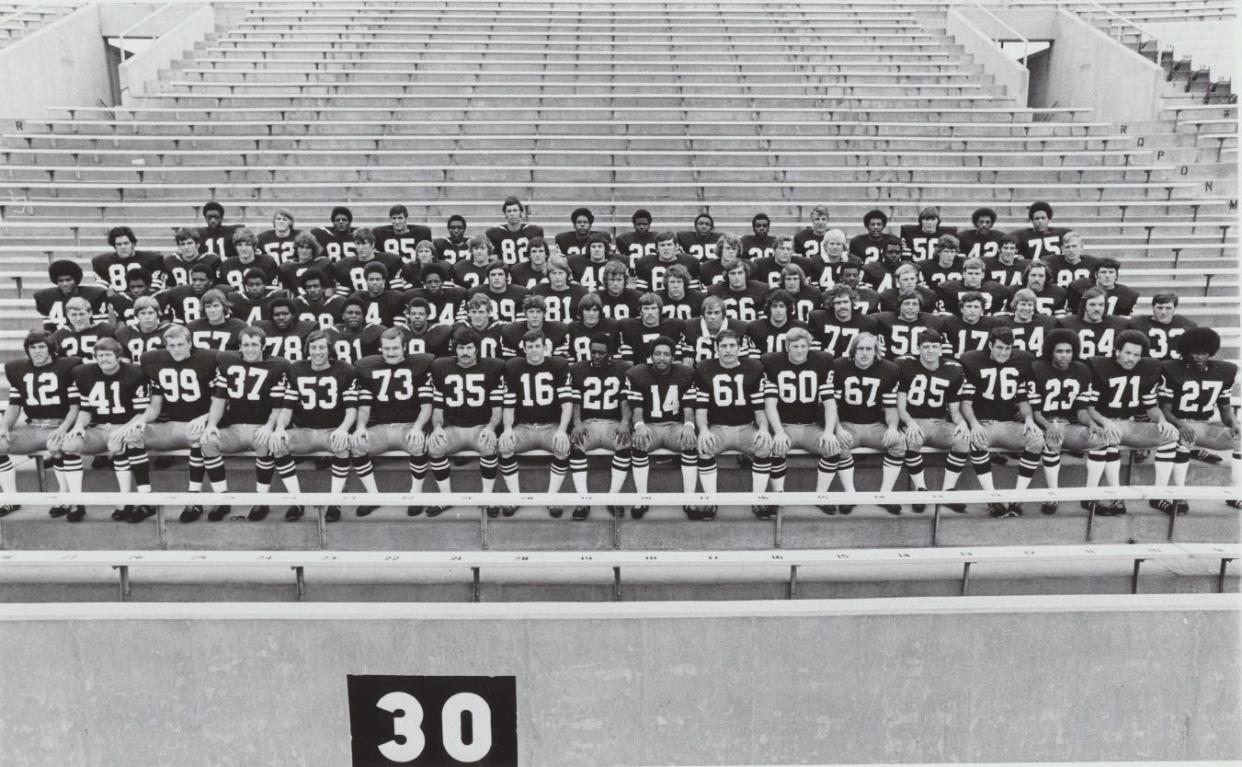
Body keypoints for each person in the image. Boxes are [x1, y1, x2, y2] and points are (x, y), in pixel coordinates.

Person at [1082, 330, 1178, 516]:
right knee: (1109, 437)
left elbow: (1151, 407)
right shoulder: (1100, 368)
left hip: (1129, 424)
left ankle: (1158, 495)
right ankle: (1097, 495)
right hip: (1105, 423)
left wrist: (1162, 420)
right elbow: (1089, 408)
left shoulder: (1146, 371)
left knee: (1171, 435)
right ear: (1117, 351)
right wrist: (1104, 421)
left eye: (1136, 355)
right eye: (1127, 353)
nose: (1131, 359)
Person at [270, 329, 363, 522]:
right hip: (304, 430)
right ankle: (296, 500)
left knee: (342, 445)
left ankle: (335, 501)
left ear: (329, 349)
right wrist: (280, 429)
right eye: (313, 347)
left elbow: (351, 410)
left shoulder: (345, 370)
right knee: (277, 444)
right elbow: (286, 409)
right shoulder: (296, 370)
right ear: (307, 349)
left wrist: (343, 429)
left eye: (322, 347)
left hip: (332, 430)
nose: (318, 352)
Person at [201, 326, 292, 521]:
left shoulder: (277, 366)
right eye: (245, 345)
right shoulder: (228, 362)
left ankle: (261, 500)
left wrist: (269, 426)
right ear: (240, 347)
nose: (249, 349)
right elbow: (219, 400)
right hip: (233, 427)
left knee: (267, 443)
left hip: (260, 426)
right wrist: (211, 424)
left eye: (254, 345)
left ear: (263, 346)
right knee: (208, 442)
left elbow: (278, 407)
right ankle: (222, 499)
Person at [61, 337, 153, 523]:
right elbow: (86, 409)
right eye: (100, 355)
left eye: (108, 355)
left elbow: (141, 413)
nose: (103, 359)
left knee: (119, 444)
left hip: (125, 425)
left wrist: (123, 429)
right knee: (69, 445)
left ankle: (124, 500)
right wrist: (79, 426)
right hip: (98, 427)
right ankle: (76, 501)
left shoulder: (135, 373)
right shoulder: (85, 373)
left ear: (118, 356)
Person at [958, 327, 1044, 518]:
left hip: (1008, 425)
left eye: (1007, 348)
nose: (1003, 352)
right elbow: (966, 403)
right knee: (975, 439)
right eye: (999, 348)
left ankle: (1017, 498)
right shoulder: (974, 363)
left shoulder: (1019, 363)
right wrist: (974, 424)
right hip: (985, 423)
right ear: (990, 345)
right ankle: (992, 498)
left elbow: (1023, 399)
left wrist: (1029, 418)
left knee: (1036, 440)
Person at [351, 328, 435, 517]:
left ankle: (416, 495)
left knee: (418, 442)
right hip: (382, 427)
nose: (390, 353)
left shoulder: (419, 366)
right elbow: (364, 406)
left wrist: (418, 427)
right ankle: (373, 496)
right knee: (356, 444)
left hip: (408, 425)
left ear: (404, 347)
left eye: (395, 348)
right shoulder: (369, 367)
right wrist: (360, 427)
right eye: (386, 349)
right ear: (381, 348)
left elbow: (426, 406)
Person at [140, 325, 220, 523]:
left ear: (190, 344)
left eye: (181, 344)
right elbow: (155, 407)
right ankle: (144, 499)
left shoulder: (207, 360)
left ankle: (194, 498)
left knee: (197, 436)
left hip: (200, 422)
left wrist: (206, 418)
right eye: (171, 345)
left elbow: (222, 403)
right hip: (172, 423)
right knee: (133, 437)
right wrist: (140, 421)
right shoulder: (156, 363)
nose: (176, 349)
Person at [1156, 328, 1240, 514]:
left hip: (1205, 424)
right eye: (1195, 352)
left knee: (1240, 439)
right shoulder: (1171, 369)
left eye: (1204, 352)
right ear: (1185, 352)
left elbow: (1225, 409)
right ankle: (1179, 493)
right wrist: (1180, 424)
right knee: (1184, 440)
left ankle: (1235, 494)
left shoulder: (1224, 371)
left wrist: (1234, 423)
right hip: (1180, 423)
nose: (1200, 356)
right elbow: (1165, 409)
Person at [0, 330, 83, 518]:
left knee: (62, 446)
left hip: (59, 424)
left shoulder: (66, 367)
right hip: (33, 427)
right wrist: (4, 427)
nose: (37, 351)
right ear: (27, 350)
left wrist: (63, 428)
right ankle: (11, 499)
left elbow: (75, 407)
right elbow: (14, 406)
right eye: (33, 347)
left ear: (51, 349)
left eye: (41, 347)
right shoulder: (18, 369)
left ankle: (67, 498)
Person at [692, 330, 773, 519]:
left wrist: (762, 428)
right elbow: (701, 409)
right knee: (704, 446)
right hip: (717, 427)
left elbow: (759, 408)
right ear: (716, 349)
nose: (728, 351)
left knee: (764, 445)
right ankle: (710, 501)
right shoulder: (704, 368)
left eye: (732, 346)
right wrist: (703, 430)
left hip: (745, 426)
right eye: (723, 346)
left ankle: (759, 500)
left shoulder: (753, 368)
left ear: (739, 348)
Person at [426, 328, 506, 515]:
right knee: (435, 446)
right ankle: (446, 498)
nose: (465, 352)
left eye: (469, 348)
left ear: (476, 349)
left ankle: (487, 498)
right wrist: (437, 427)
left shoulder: (492, 368)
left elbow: (497, 409)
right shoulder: (441, 367)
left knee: (488, 444)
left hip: (480, 427)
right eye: (461, 348)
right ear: (455, 349)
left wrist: (491, 427)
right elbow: (438, 409)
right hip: (453, 427)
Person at [824, 332, 903, 514]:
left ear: (876, 352)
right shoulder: (838, 366)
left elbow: (891, 407)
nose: (865, 353)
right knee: (838, 444)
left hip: (874, 425)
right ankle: (850, 494)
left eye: (869, 349)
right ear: (853, 351)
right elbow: (831, 405)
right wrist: (838, 428)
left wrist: (892, 427)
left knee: (899, 442)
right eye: (860, 349)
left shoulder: (888, 370)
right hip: (847, 424)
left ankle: (885, 495)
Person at [498, 330, 574, 518]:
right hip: (524, 426)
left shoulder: (558, 366)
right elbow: (508, 406)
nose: (533, 350)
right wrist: (507, 429)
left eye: (537, 346)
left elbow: (567, 405)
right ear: (524, 348)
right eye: (530, 347)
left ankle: (551, 498)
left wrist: (563, 430)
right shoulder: (514, 367)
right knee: (504, 445)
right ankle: (515, 497)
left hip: (551, 426)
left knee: (563, 446)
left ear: (544, 347)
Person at [896, 330, 970, 514]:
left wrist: (961, 422)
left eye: (935, 346)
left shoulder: (953, 369)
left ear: (941, 348)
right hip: (914, 420)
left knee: (962, 440)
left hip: (938, 422)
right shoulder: (905, 366)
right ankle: (920, 489)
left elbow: (954, 411)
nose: (930, 350)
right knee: (910, 439)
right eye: (926, 346)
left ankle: (948, 491)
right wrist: (909, 422)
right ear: (918, 348)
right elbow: (900, 406)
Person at [1026, 329, 1098, 515]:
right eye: (1059, 351)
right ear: (1051, 351)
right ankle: (1053, 495)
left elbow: (1082, 412)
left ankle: (1089, 495)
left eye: (1068, 351)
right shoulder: (1037, 368)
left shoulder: (1082, 370)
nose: (1064, 355)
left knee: (1100, 440)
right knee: (1053, 440)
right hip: (1046, 420)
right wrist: (1049, 425)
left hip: (1069, 422)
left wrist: (1092, 423)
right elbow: (1036, 412)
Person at [761, 328, 837, 505]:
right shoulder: (772, 362)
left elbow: (830, 403)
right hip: (784, 425)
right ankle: (778, 496)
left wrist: (828, 431)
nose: (800, 350)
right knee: (776, 448)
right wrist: (778, 432)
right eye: (795, 346)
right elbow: (770, 404)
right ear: (787, 346)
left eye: (803, 346)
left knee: (833, 448)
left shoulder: (821, 362)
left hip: (810, 425)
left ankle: (821, 497)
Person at [625, 336, 698, 519]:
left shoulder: (685, 373)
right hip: (650, 425)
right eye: (658, 354)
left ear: (673, 357)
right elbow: (637, 407)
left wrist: (689, 425)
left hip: (675, 426)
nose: (662, 358)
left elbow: (689, 407)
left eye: (666, 354)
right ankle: (642, 498)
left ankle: (690, 500)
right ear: (651, 356)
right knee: (639, 441)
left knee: (690, 442)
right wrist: (639, 425)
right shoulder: (638, 373)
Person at [566, 334, 633, 517]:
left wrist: (625, 422)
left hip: (613, 423)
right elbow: (575, 399)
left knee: (625, 443)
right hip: (589, 423)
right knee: (576, 444)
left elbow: (625, 399)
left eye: (601, 353)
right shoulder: (578, 370)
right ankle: (583, 500)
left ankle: (613, 497)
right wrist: (577, 423)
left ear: (610, 353)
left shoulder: (623, 369)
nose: (596, 356)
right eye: (593, 352)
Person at [35, 260, 108, 331]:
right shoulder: (46, 297)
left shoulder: (95, 295)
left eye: (68, 280)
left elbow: (100, 327)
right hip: (59, 338)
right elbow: (49, 329)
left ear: (76, 279)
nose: (65, 284)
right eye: (61, 281)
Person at [809, 284, 880, 358]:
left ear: (852, 302)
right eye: (838, 303)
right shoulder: (818, 318)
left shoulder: (867, 322)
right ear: (832, 305)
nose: (842, 306)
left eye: (845, 302)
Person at [1057, 287, 1130, 358]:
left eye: (1101, 305)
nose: (1097, 309)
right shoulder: (1067, 324)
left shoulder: (1118, 324)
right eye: (1092, 304)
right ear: (1084, 306)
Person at [91, 225, 166, 292]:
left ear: (133, 243)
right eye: (119, 244)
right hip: (117, 302)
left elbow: (155, 286)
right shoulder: (102, 261)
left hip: (143, 301)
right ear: (114, 246)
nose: (123, 247)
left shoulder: (152, 259)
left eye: (126, 243)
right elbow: (100, 288)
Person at [1065, 257, 1140, 317]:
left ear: (1116, 275)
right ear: (1096, 275)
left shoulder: (1128, 294)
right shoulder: (1079, 288)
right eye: (1103, 272)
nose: (1107, 276)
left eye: (1111, 272)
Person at [50, 297, 115, 361]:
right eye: (74, 315)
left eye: (82, 314)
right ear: (68, 315)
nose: (78, 318)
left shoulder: (105, 330)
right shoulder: (60, 335)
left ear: (90, 313)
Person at [633, 231, 700, 293]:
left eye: (669, 244)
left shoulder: (690, 262)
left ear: (676, 247)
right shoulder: (644, 263)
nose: (666, 248)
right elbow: (641, 292)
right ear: (656, 248)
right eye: (662, 245)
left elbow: (694, 292)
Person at [485, 196, 544, 265]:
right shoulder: (494, 233)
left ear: (521, 213)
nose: (512, 214)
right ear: (505, 214)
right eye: (509, 211)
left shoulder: (534, 231)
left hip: (527, 273)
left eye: (515, 210)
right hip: (505, 273)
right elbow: (493, 259)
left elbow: (541, 256)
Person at [115, 296, 169, 361]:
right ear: (136, 315)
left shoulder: (168, 331)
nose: (147, 317)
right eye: (143, 313)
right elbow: (125, 363)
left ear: (158, 314)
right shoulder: (125, 333)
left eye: (151, 313)